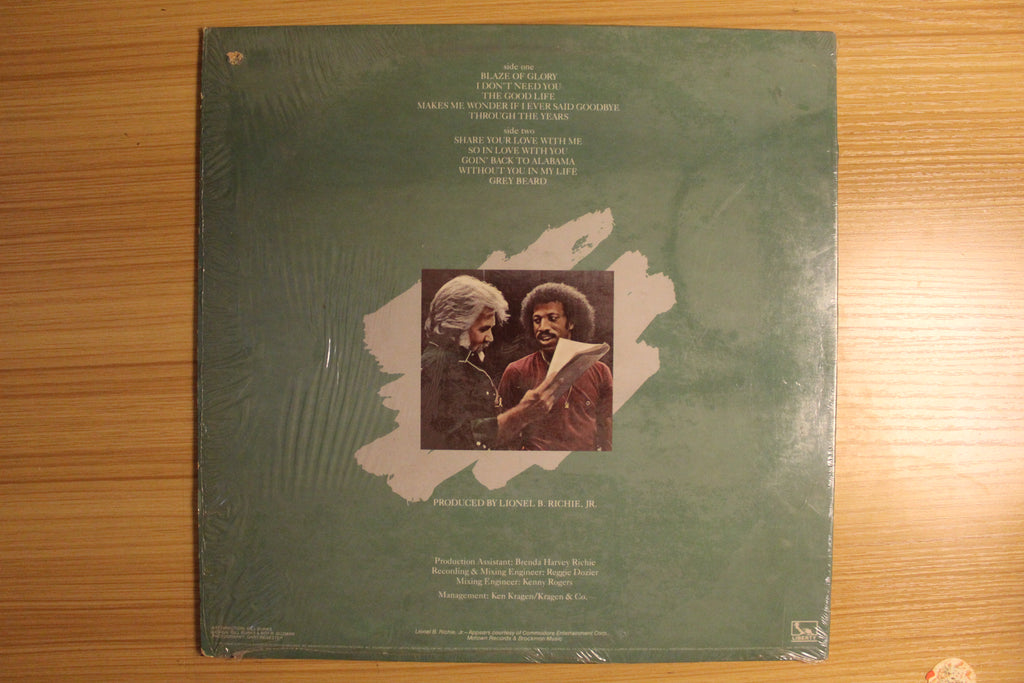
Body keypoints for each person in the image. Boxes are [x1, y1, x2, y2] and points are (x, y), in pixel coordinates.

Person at [421, 275, 550, 450]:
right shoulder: (435, 366)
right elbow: (449, 440)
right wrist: (521, 414)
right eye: (483, 329)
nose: (490, 338)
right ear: (455, 326)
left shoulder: (453, 363)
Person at [498, 282, 613, 451]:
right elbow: (502, 434)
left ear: (571, 322)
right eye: (537, 320)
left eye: (552, 318)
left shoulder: (601, 371)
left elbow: (608, 429)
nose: (542, 327)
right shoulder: (516, 371)